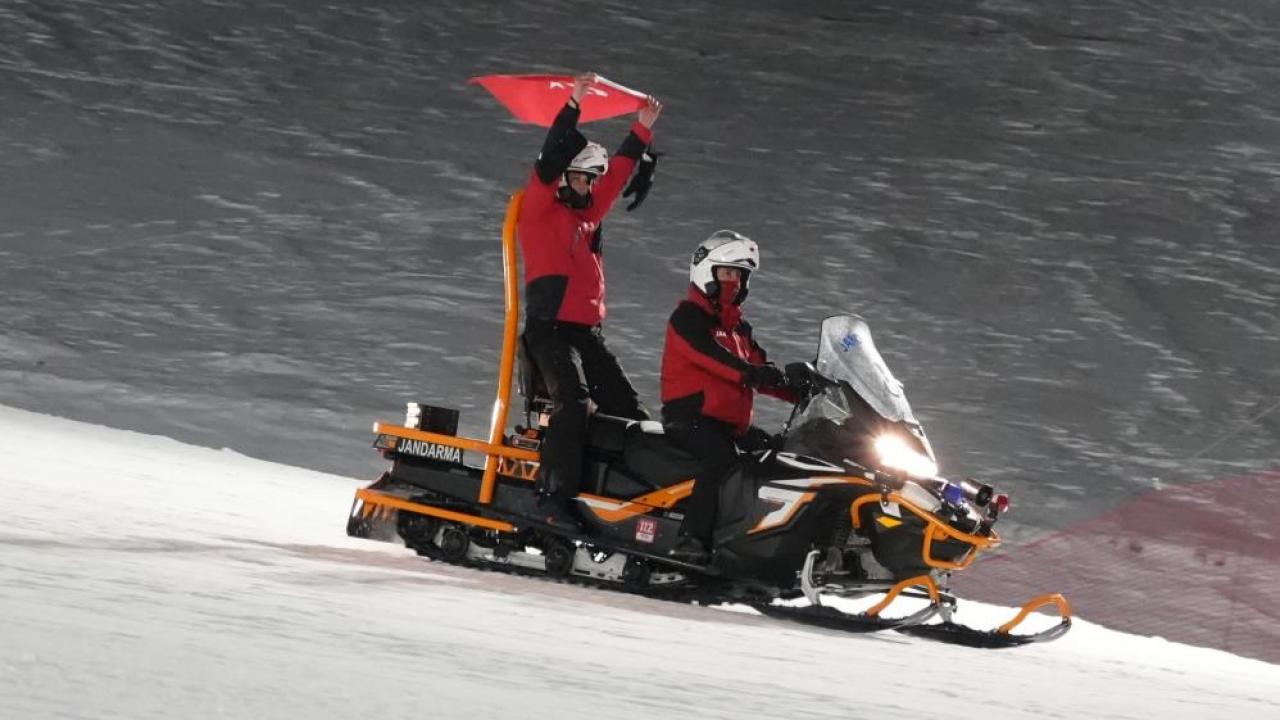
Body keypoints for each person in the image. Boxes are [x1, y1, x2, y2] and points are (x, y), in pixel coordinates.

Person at [518, 73, 663, 530]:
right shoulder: (539, 208)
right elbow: (550, 153)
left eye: (590, 180)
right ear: (564, 177)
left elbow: (618, 176)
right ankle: (551, 499)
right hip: (548, 331)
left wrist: (642, 128)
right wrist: (575, 101)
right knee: (574, 405)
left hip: (584, 333)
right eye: (580, 178)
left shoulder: (588, 215)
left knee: (628, 410)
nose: (587, 187)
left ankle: (617, 494)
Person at [659, 230, 797, 563]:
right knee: (721, 459)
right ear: (707, 272)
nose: (733, 281)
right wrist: (751, 373)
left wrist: (803, 390)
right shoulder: (689, 318)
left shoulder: (739, 329)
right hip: (690, 418)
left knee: (782, 455)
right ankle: (691, 540)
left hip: (730, 424)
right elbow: (712, 357)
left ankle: (763, 542)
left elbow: (760, 368)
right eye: (727, 273)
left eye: (739, 275)